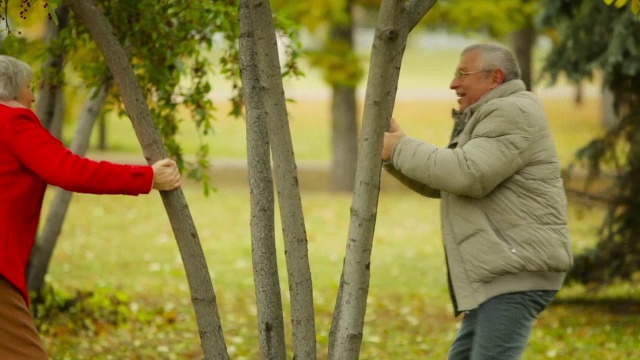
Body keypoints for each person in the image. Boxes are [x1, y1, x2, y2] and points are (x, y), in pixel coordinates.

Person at [382, 43, 574, 359]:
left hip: (514, 274)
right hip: (500, 274)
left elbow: (467, 174)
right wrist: (395, 154)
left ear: (494, 77)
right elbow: (450, 183)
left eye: (462, 74)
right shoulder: (490, 115)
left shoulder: (512, 112)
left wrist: (401, 149)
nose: (453, 84)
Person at [0, 54, 181, 359]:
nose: (33, 97)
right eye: (29, 87)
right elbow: (70, 170)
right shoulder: (13, 122)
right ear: (13, 89)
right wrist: (148, 177)